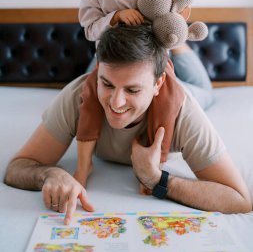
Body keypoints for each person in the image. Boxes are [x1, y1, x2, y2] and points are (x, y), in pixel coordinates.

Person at [4, 24, 251, 226]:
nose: (116, 102)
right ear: (99, 71)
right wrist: (51, 173)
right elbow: (17, 168)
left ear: (157, 84)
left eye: (132, 89)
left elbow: (239, 200)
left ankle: (176, 41)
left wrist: (157, 180)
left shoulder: (184, 111)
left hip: (193, 90)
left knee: (206, 91)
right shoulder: (79, 94)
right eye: (108, 84)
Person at [75, 0, 213, 186]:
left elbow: (171, 11)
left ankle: (154, 164)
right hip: (110, 61)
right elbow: (88, 30)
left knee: (171, 98)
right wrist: (114, 18)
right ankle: (83, 165)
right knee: (87, 96)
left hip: (150, 61)